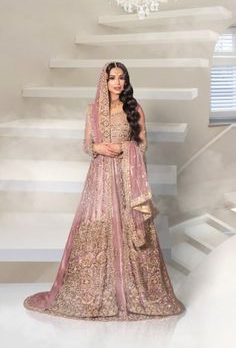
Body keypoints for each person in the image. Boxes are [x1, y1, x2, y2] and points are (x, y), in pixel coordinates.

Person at [23, 61, 185, 321]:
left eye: (122, 78)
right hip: (100, 179)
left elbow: (143, 144)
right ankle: (97, 290)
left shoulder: (134, 108)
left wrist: (125, 148)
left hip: (126, 177)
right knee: (98, 227)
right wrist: (99, 148)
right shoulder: (93, 110)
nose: (117, 83)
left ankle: (133, 291)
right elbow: (87, 144)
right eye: (112, 78)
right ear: (104, 81)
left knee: (129, 228)